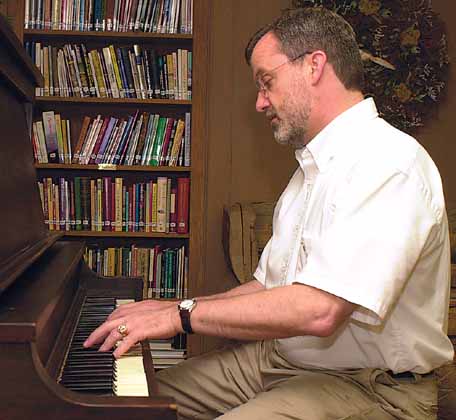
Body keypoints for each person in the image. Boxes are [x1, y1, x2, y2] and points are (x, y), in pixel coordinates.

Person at [84, 7, 454, 419]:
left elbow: (320, 309)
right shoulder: (309, 171)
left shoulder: (388, 163)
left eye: (266, 82)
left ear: (314, 65)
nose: (260, 102)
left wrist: (181, 317)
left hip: (371, 386)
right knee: (132, 403)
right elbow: (267, 286)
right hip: (281, 360)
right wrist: (175, 306)